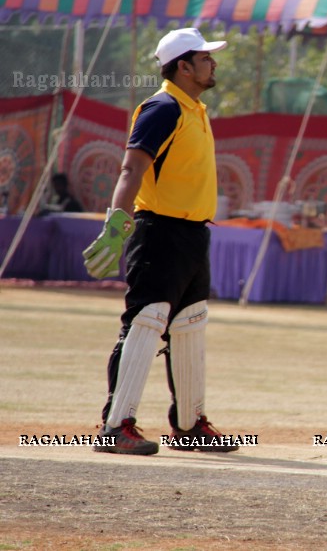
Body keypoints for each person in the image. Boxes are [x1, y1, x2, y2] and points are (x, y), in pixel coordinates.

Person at [83, 27, 238, 456]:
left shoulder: (194, 109)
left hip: (192, 234)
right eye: (205, 58)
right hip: (158, 231)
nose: (214, 63)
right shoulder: (162, 107)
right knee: (146, 322)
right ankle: (116, 426)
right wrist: (117, 221)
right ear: (183, 66)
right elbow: (131, 169)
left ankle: (189, 426)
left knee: (189, 326)